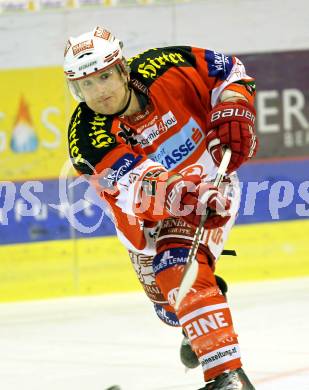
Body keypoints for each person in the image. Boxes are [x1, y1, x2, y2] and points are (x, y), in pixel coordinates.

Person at [64, 26, 258, 390]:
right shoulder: (87, 135)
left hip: (214, 186)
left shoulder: (164, 64)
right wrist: (191, 194)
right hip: (144, 221)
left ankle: (227, 376)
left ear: (122, 69)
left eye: (105, 76)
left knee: (177, 268)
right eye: (86, 84)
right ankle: (200, 303)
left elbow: (230, 72)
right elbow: (142, 188)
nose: (100, 91)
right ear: (76, 89)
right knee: (171, 308)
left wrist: (235, 104)